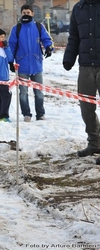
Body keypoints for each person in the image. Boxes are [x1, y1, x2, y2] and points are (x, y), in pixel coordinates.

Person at [62, 0, 100, 161]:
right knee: (86, 106)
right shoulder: (78, 8)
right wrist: (68, 59)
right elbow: (74, 37)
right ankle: (94, 143)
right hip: (85, 66)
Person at [8, 4, 53, 122]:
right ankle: (26, 114)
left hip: (36, 64)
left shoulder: (39, 27)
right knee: (23, 93)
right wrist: (10, 61)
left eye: (28, 12)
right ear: (21, 14)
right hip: (22, 65)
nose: (26, 14)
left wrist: (48, 47)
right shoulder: (16, 29)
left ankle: (40, 114)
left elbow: (46, 39)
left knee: (39, 93)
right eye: (24, 13)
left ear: (32, 14)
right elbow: (11, 46)